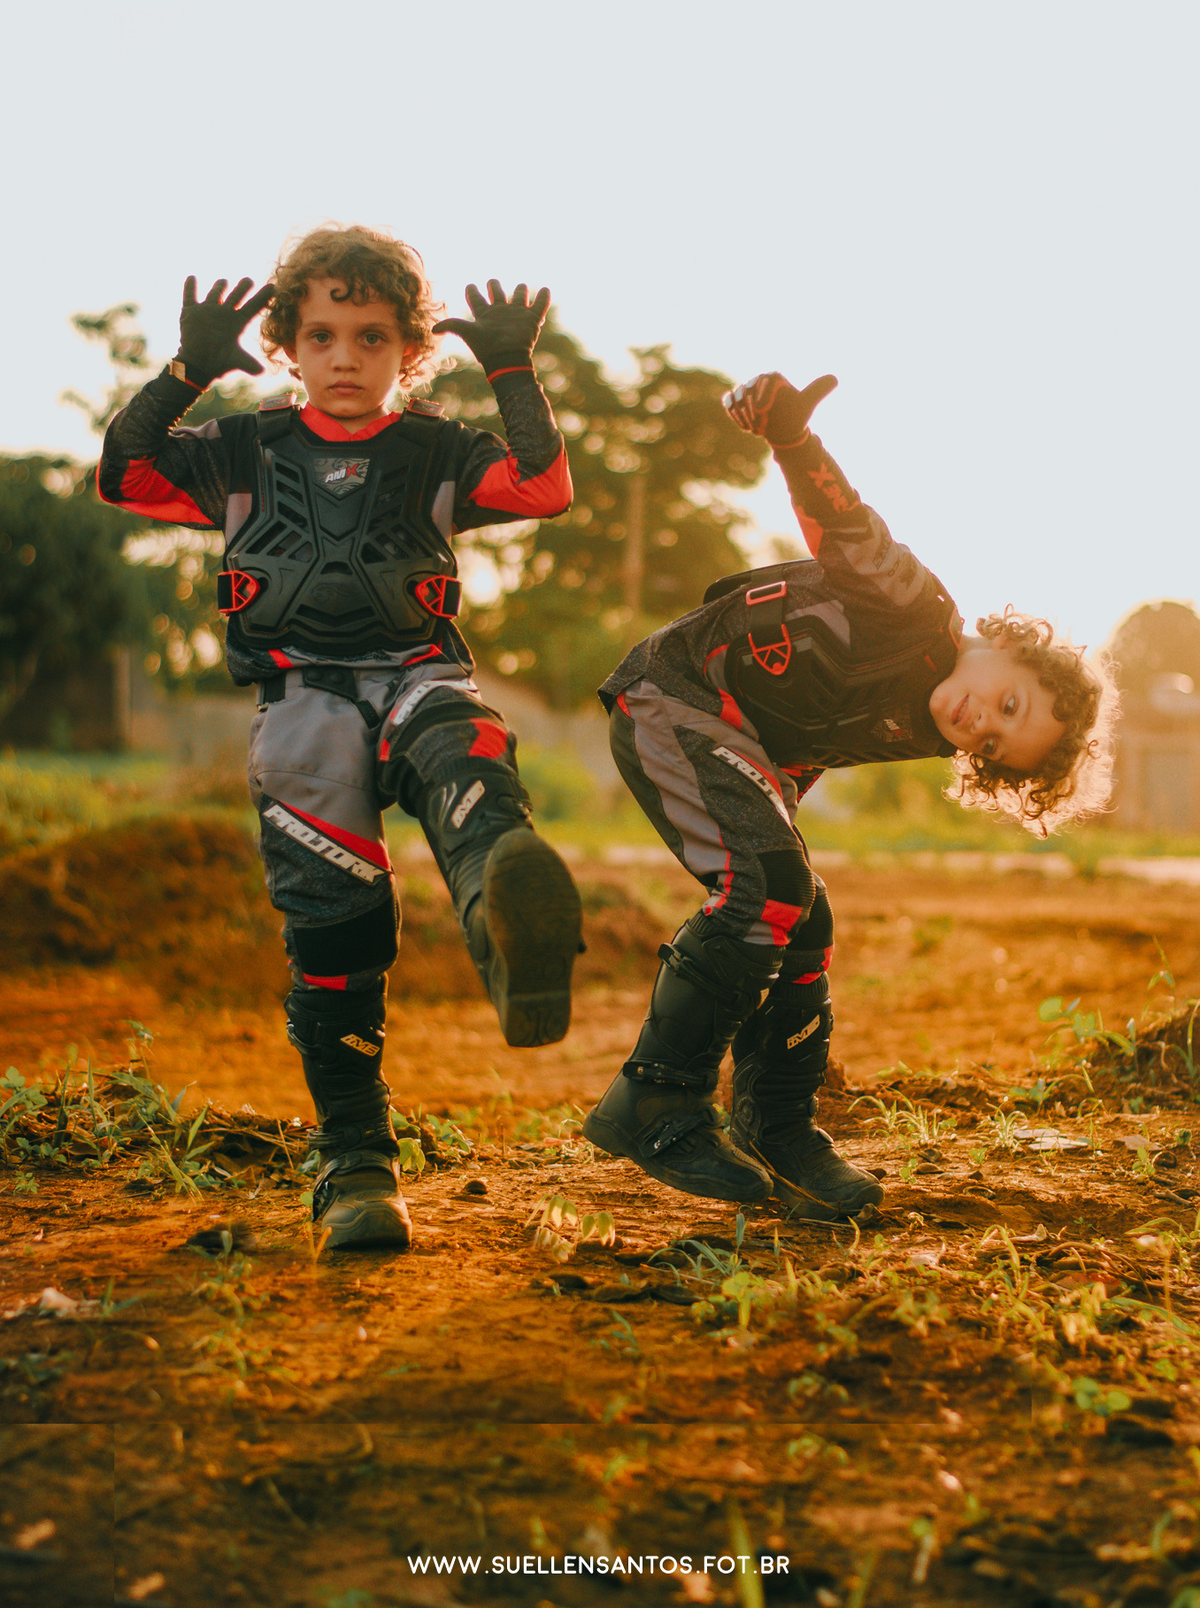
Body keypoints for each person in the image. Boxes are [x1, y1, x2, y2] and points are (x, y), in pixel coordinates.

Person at [99, 224, 582, 1251]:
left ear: (411, 349)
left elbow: (542, 486)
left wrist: (513, 373)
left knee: (464, 750)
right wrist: (187, 372)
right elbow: (124, 477)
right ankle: (358, 1165)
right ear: (286, 345)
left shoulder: (439, 451)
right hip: (301, 704)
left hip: (419, 678)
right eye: (321, 335)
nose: (346, 358)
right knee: (334, 937)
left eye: (372, 337)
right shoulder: (241, 451)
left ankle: (506, 925)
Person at [583, 371, 1116, 1219]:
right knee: (770, 887)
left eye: (992, 748)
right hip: (672, 696)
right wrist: (792, 438)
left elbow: (810, 737)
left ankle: (778, 1127)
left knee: (805, 915)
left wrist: (774, 811)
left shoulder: (921, 728)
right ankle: (656, 1096)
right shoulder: (915, 608)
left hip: (733, 739)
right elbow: (844, 526)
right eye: (1008, 704)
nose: (980, 725)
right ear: (1003, 645)